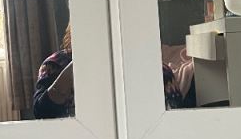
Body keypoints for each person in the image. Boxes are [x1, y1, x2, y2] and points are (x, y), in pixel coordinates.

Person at [32, 23, 186, 119]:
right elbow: (42, 113)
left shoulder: (156, 71)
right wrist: (72, 71)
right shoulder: (54, 65)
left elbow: (173, 122)